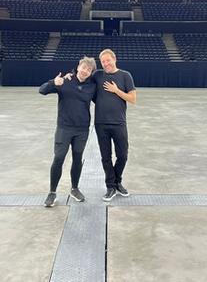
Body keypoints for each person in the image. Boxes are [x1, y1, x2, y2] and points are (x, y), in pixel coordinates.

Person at [39, 57, 97, 207]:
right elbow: (42, 90)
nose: (85, 71)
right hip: (64, 128)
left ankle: (74, 189)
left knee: (77, 159)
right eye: (84, 67)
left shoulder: (92, 87)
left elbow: (102, 101)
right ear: (78, 67)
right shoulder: (65, 81)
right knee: (58, 158)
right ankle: (52, 192)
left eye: (89, 69)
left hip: (82, 130)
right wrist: (53, 82)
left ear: (91, 72)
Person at [93, 49, 137, 202]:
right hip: (101, 123)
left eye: (108, 60)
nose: (106, 64)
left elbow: (132, 99)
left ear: (114, 59)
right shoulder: (97, 75)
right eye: (103, 61)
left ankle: (118, 181)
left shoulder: (125, 76)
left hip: (119, 122)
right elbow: (83, 78)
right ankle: (111, 186)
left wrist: (116, 90)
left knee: (122, 155)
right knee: (106, 157)